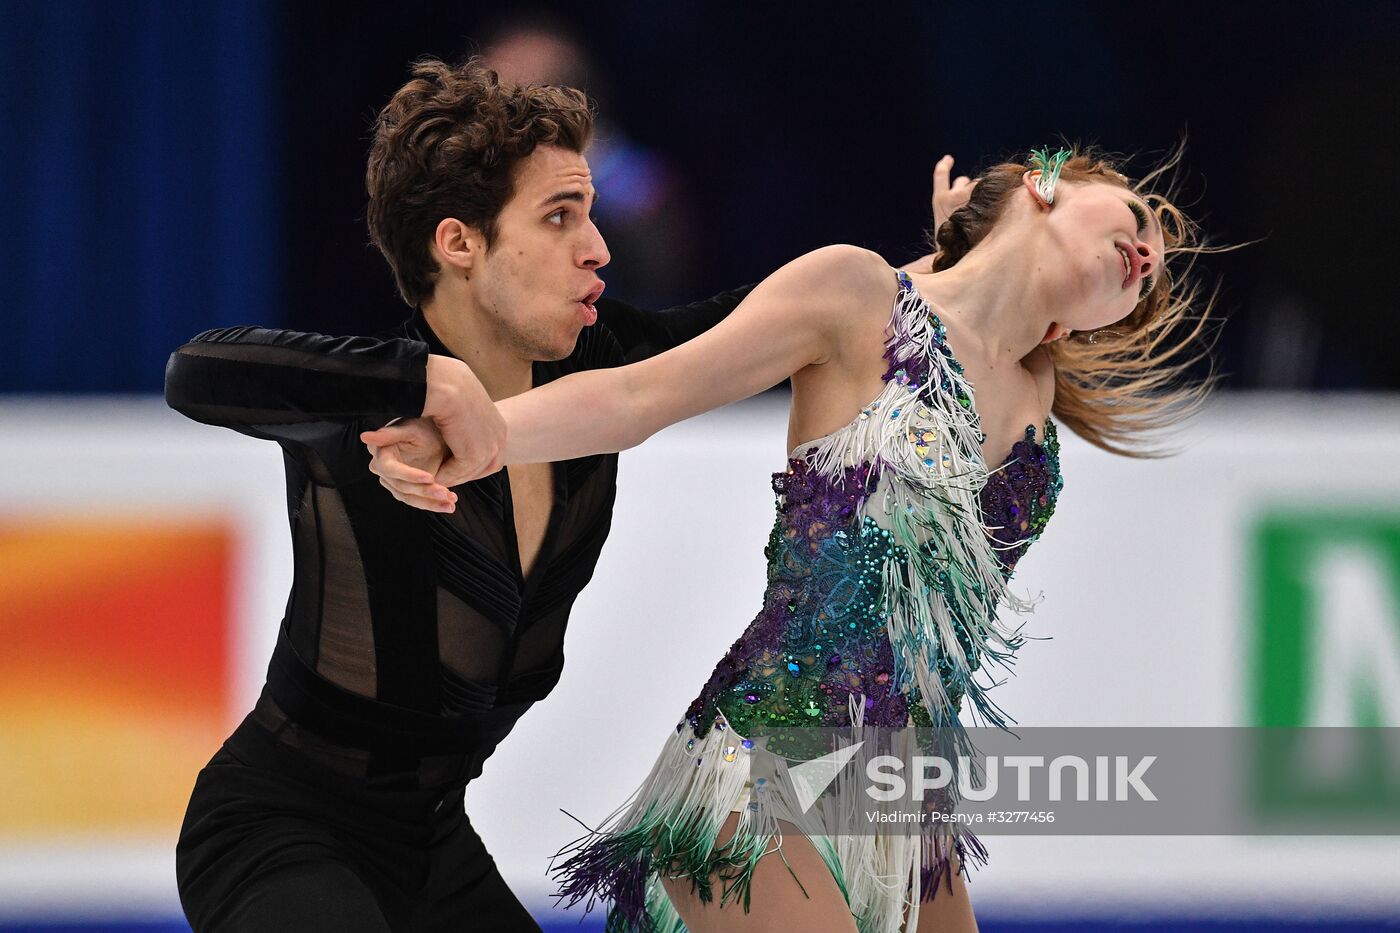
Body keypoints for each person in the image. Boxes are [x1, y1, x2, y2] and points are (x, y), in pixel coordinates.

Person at [164, 56, 951, 932]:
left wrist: (952, 272)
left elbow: (798, 317)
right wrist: (419, 381)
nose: (599, 248)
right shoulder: (368, 411)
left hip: (432, 851)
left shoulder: (603, 365)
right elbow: (196, 370)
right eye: (559, 216)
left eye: (591, 213)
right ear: (459, 243)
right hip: (280, 835)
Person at [365, 145, 1211, 933]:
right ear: (1046, 182)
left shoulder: (1036, 386)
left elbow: (981, 303)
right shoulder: (856, 297)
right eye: (1135, 222)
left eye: (1147, 282)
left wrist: (970, 247)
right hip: (769, 762)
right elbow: (638, 397)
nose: (1144, 257)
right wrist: (472, 433)